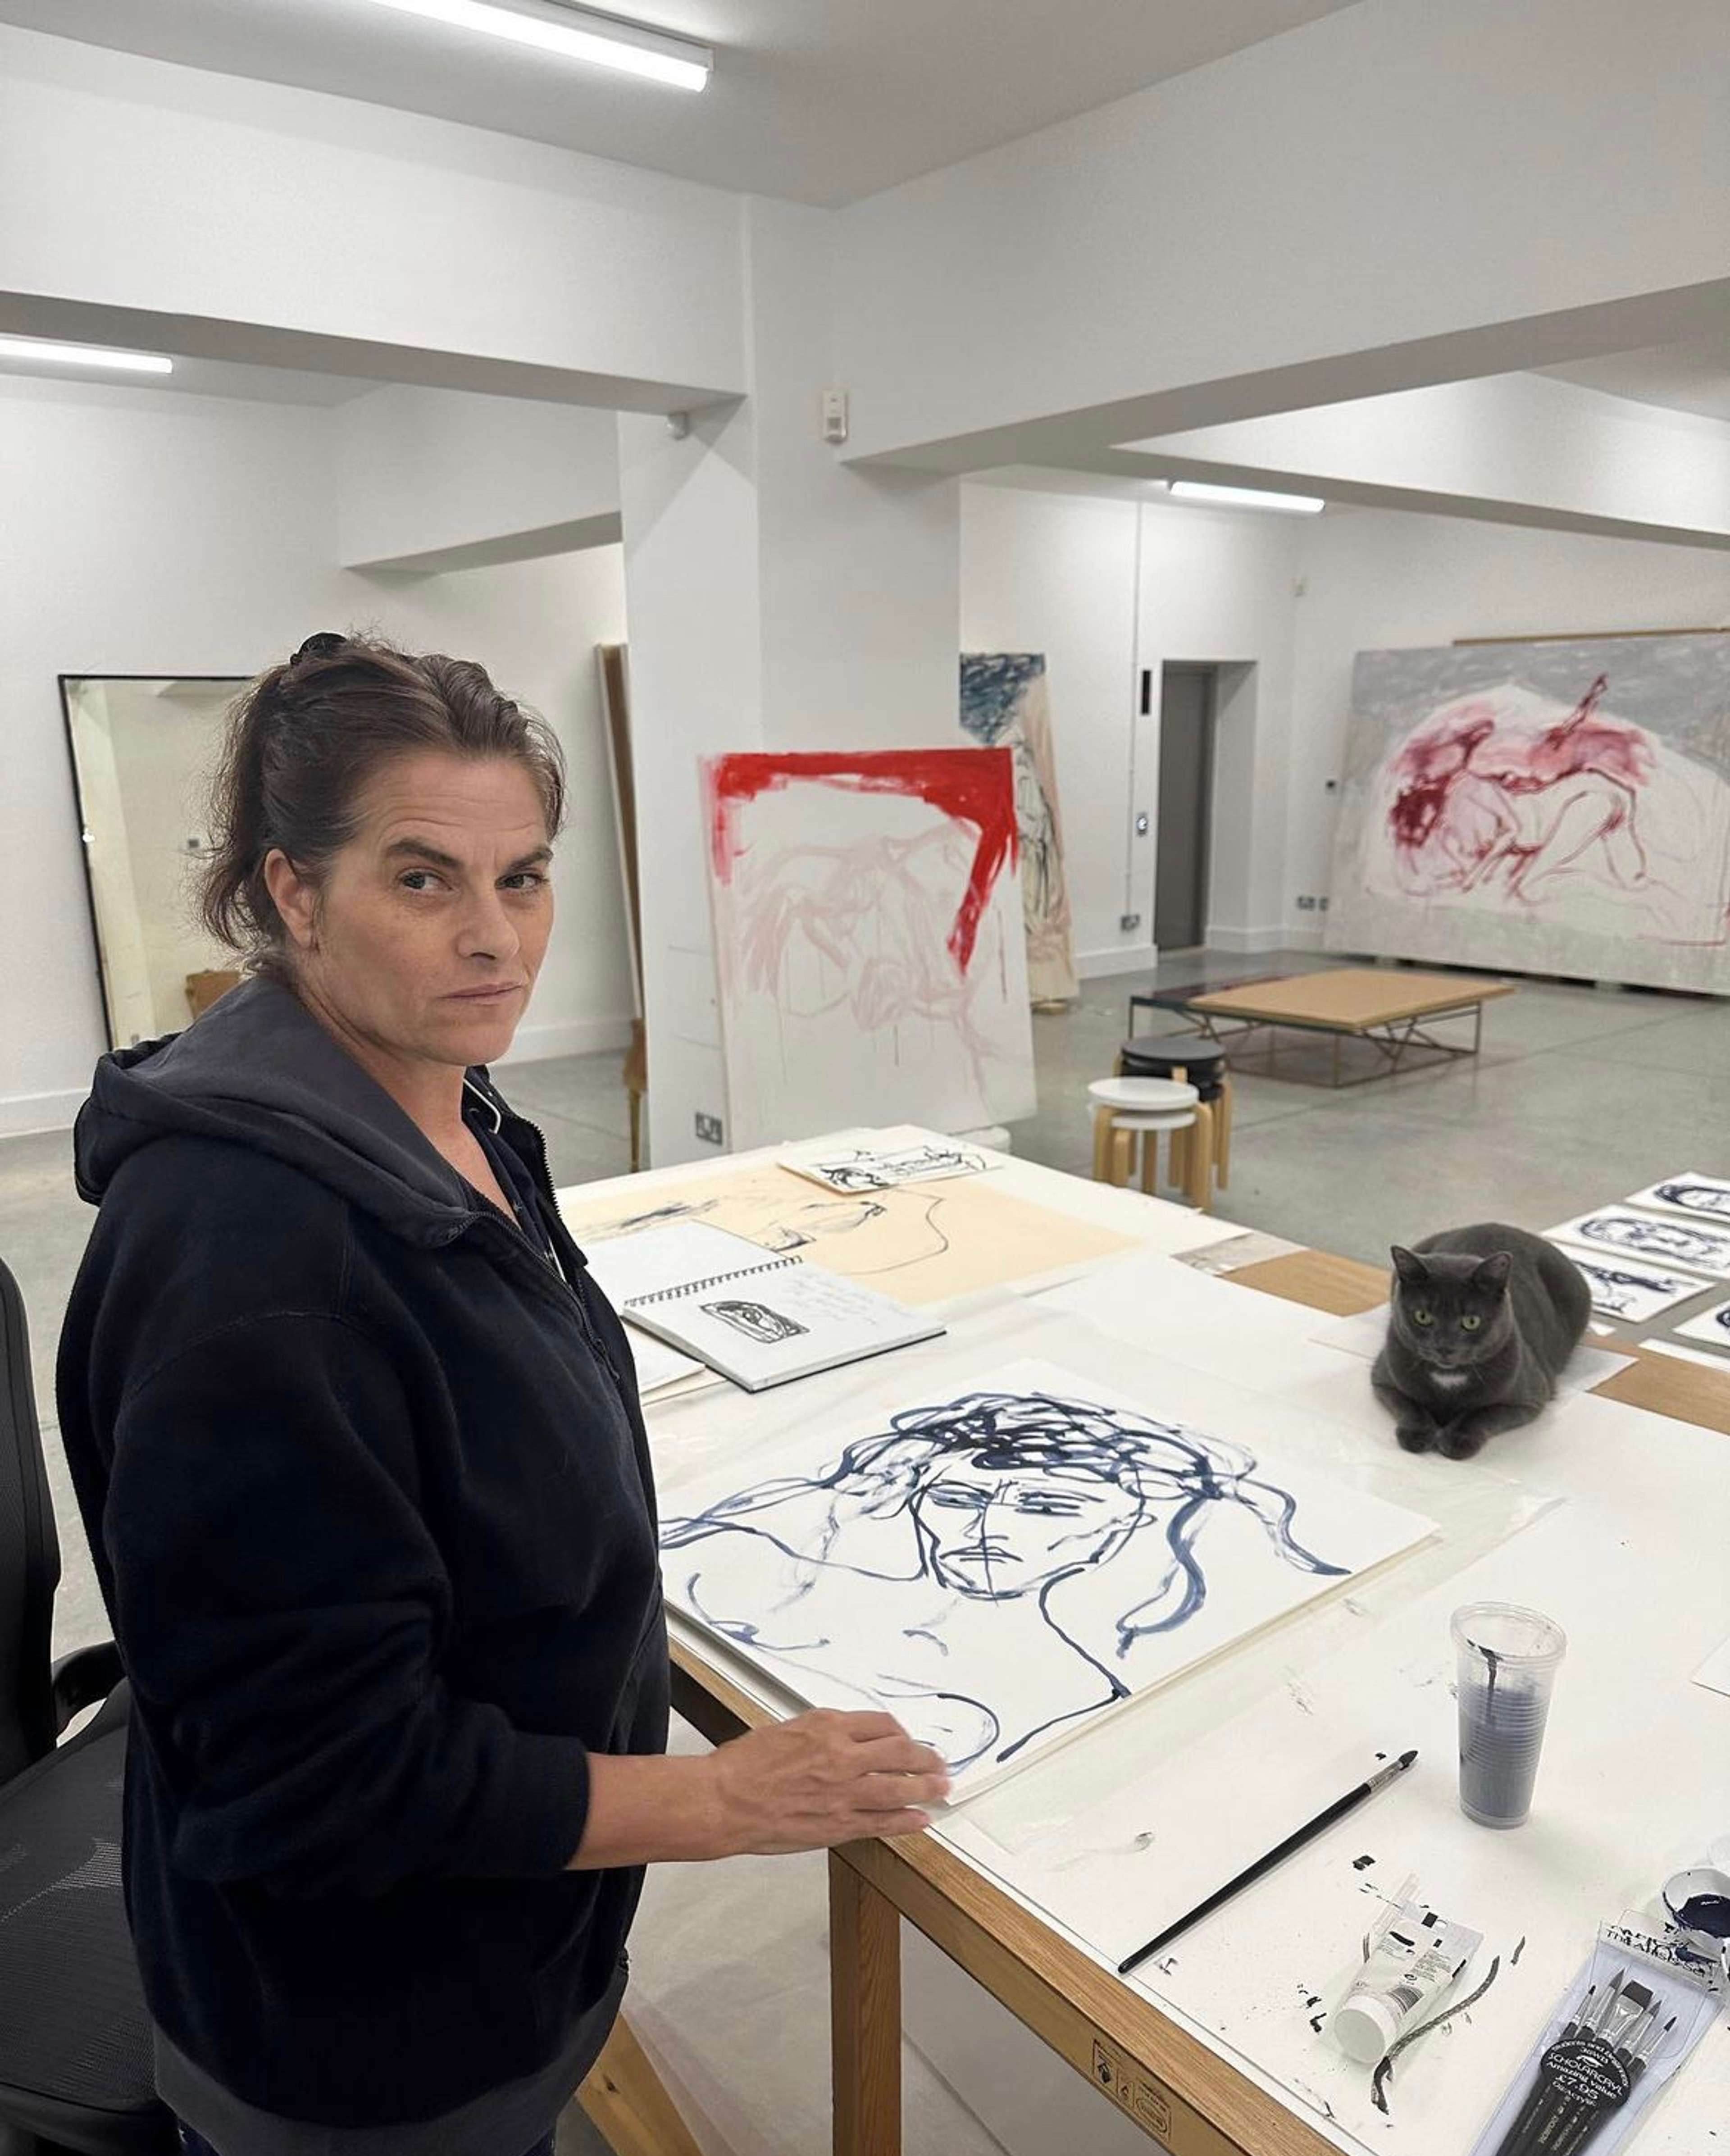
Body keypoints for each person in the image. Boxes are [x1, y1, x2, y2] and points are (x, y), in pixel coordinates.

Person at [55, 634, 948, 2156]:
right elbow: (323, 1786)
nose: (496, 937)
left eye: (522, 876)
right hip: (362, 2041)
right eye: (423, 879)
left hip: (500, 1949)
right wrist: (725, 1800)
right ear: (292, 892)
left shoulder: (453, 1110)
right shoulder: (254, 1272)